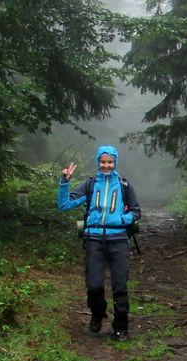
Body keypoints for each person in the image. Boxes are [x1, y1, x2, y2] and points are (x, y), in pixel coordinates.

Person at [58, 145, 141, 342]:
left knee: (119, 285)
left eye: (110, 162)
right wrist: (65, 182)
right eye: (103, 162)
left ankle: (121, 328)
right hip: (94, 239)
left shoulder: (124, 185)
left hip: (118, 240)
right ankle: (97, 312)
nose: (106, 166)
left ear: (115, 162)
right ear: (97, 162)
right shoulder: (89, 185)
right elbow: (64, 205)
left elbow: (136, 212)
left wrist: (118, 221)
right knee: (94, 285)